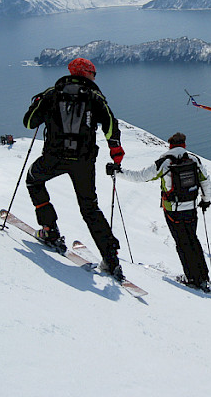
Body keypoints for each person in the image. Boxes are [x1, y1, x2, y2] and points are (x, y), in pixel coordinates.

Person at [22, 57, 126, 280]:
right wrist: (115, 151)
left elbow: (29, 122)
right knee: (89, 207)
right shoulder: (94, 97)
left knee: (33, 180)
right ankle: (110, 258)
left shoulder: (52, 93)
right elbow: (110, 124)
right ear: (86, 73)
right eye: (94, 73)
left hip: (54, 157)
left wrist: (37, 102)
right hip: (83, 161)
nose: (95, 77)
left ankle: (49, 230)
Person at [115, 132, 211, 292]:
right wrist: (206, 200)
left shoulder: (164, 163)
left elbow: (140, 177)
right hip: (191, 207)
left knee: (182, 242)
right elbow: (205, 181)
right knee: (193, 239)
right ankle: (203, 276)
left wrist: (118, 172)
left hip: (172, 210)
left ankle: (192, 279)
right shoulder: (194, 160)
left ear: (170, 145)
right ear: (184, 145)